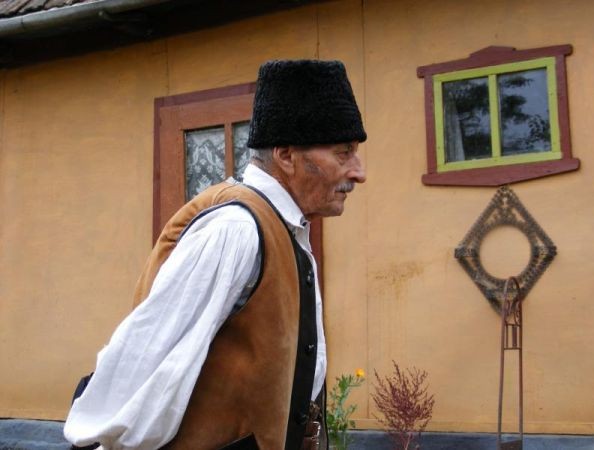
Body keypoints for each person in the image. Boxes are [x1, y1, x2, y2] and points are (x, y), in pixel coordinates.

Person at [64, 59, 367, 450]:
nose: (358, 172)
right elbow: (145, 362)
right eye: (343, 153)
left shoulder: (285, 228)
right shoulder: (236, 230)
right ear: (286, 155)